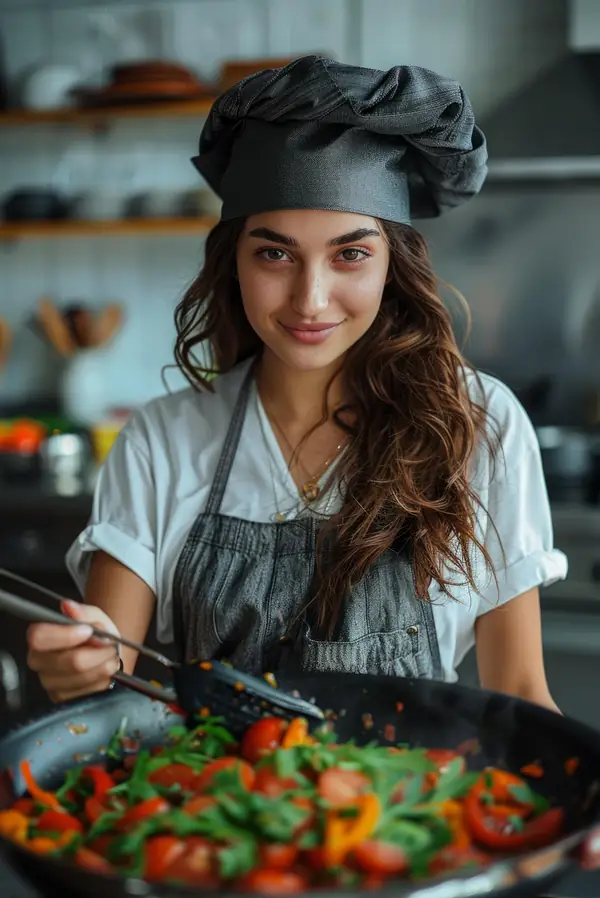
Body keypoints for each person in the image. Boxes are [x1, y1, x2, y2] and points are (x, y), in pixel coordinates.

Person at [26, 56, 566, 709]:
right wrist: (83, 663)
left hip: (417, 806)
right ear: (236, 261)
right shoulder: (163, 439)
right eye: (275, 253)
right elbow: (111, 676)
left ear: (393, 264)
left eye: (350, 254)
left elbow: (521, 693)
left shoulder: (480, 423)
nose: (310, 300)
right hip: (214, 805)